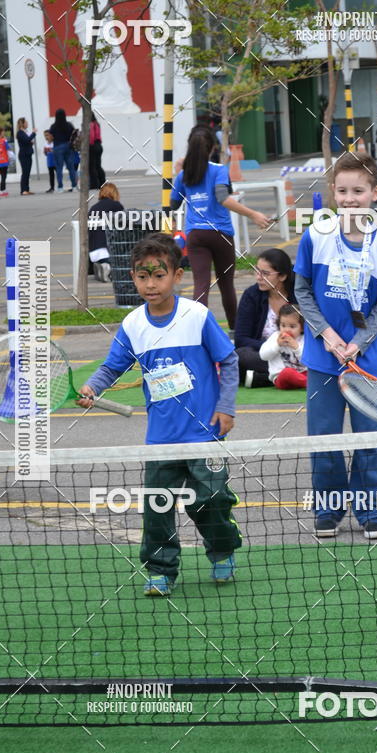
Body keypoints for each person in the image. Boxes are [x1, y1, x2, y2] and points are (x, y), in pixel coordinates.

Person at [78, 233, 242, 597]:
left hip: (205, 432)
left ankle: (222, 549)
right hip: (161, 439)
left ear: (177, 276)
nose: (150, 284)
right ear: (133, 278)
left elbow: (228, 361)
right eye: (142, 276)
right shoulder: (133, 324)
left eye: (158, 274)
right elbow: (111, 367)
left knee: (211, 500)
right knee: (157, 507)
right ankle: (161, 570)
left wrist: (226, 407)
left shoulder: (196, 315)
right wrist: (92, 387)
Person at [294, 152, 377, 540]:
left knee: (369, 438)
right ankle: (329, 509)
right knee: (325, 437)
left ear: (374, 193)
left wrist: (357, 342)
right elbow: (301, 291)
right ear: (333, 193)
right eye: (342, 191)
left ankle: (372, 512)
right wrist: (326, 334)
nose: (350, 198)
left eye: (358, 190)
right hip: (323, 358)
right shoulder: (316, 236)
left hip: (366, 362)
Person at [170, 125, 270, 329]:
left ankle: (197, 332)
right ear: (212, 149)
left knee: (201, 285)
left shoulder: (183, 176)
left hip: (196, 235)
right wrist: (253, 214)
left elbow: (173, 204)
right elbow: (223, 197)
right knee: (226, 286)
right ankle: (235, 329)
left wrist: (177, 174)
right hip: (221, 234)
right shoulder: (219, 170)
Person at [234, 248, 296, 387]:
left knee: (315, 355)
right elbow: (241, 339)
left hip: (297, 350)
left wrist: (294, 348)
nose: (258, 277)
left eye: (265, 273)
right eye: (257, 271)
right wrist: (273, 347)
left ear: (282, 276)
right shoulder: (251, 295)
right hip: (265, 353)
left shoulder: (298, 294)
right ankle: (289, 375)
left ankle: (264, 378)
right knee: (239, 355)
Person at [259, 304, 307, 389]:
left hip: (302, 373)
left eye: (292, 326)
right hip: (281, 376)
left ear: (302, 327)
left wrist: (297, 348)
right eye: (283, 325)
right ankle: (308, 384)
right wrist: (277, 345)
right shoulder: (275, 337)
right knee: (287, 373)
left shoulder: (304, 339)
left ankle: (304, 382)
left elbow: (308, 361)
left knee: (313, 372)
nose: (287, 329)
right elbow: (263, 356)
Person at [87, 182, 123, 282]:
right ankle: (107, 267)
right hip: (106, 250)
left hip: (92, 252)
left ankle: (101, 265)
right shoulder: (116, 206)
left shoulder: (93, 209)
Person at [49, 108, 77, 192]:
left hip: (57, 147)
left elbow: (50, 138)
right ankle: (74, 186)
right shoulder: (69, 125)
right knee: (71, 168)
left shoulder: (53, 126)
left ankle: (60, 187)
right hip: (68, 146)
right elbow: (74, 134)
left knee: (59, 168)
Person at [16, 117, 36, 195]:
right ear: (22, 124)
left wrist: (30, 142)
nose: (27, 124)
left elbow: (26, 141)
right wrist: (33, 133)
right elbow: (27, 140)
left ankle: (27, 189)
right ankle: (23, 190)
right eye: (26, 122)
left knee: (27, 172)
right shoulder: (20, 132)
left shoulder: (24, 132)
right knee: (25, 172)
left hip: (28, 154)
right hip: (23, 155)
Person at [88, 112, 105, 189]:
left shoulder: (90, 124)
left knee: (92, 166)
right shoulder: (97, 123)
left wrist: (89, 145)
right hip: (99, 145)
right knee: (98, 165)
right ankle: (102, 182)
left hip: (93, 146)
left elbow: (91, 136)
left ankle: (94, 184)